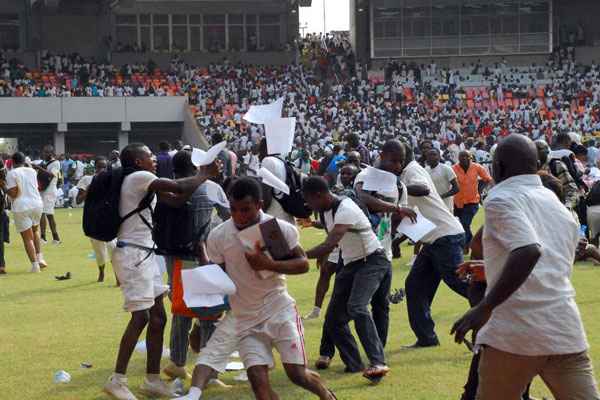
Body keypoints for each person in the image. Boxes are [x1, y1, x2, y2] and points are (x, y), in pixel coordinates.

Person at [452, 134, 600, 400]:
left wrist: (484, 307)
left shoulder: (500, 199)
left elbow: (529, 250)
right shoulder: (555, 204)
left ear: (498, 167)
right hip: (564, 329)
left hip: (514, 332)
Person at [103, 143, 218, 400]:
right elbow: (177, 187)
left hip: (145, 253)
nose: (154, 158)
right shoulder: (140, 177)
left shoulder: (142, 182)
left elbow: (177, 200)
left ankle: (152, 380)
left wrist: (199, 179)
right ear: (137, 160)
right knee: (141, 318)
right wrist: (205, 174)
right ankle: (117, 380)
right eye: (148, 155)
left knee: (158, 319)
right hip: (133, 255)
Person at [205, 177, 336, 400]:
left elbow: (303, 264)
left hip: (279, 310)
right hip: (245, 319)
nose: (239, 216)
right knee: (259, 386)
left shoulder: (276, 229)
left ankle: (327, 395)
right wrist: (211, 300)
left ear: (259, 204)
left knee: (297, 374)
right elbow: (218, 275)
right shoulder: (218, 235)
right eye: (233, 209)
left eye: (245, 209)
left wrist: (269, 264)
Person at [303, 176, 410, 382]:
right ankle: (354, 364)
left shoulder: (346, 208)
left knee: (358, 307)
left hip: (372, 261)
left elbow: (329, 244)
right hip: (351, 263)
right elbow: (334, 243)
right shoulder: (325, 210)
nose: (308, 205)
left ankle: (378, 362)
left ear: (319, 195)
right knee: (334, 320)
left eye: (309, 200)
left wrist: (297, 255)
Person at [161, 150, 230, 381]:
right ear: (197, 166)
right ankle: (208, 372)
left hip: (173, 258)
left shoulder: (166, 187)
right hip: (201, 257)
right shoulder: (208, 188)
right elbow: (228, 216)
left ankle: (177, 363)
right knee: (208, 313)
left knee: (182, 310)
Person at [393, 141, 468, 348]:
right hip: (434, 239)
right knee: (414, 286)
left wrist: (398, 187)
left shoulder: (412, 171)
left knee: (460, 283)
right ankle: (427, 338)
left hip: (444, 237)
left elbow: (423, 189)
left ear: (399, 159)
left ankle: (497, 310)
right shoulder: (409, 171)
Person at [76, 156, 117, 283]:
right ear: (95, 168)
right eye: (99, 167)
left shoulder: (111, 180)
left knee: (113, 248)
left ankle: (118, 276)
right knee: (99, 251)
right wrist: (89, 189)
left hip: (109, 219)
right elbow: (78, 200)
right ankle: (101, 273)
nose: (101, 170)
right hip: (93, 219)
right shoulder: (87, 180)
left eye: (104, 167)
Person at [5, 152, 46, 273]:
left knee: (27, 238)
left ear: (12, 161)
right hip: (37, 203)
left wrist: (3, 187)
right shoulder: (32, 171)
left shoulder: (12, 173)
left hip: (22, 205)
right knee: (35, 231)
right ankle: (40, 259)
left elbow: (13, 193)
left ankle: (35, 266)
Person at [452, 150, 492, 252]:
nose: (464, 158)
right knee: (460, 225)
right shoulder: (453, 169)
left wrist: (480, 189)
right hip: (458, 202)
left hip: (472, 201)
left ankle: (470, 244)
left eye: (466, 156)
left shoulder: (477, 167)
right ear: (458, 158)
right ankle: (466, 244)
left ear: (471, 158)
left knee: (465, 223)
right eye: (462, 156)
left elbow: (488, 179)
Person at [258, 137, 295, 224]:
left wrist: (260, 214)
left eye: (260, 150)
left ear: (267, 149)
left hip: (274, 214)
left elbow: (266, 193)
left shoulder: (268, 161)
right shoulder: (281, 161)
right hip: (286, 212)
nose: (259, 155)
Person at [536, 140, 579, 211]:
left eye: (539, 150)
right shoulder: (531, 168)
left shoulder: (556, 165)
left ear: (547, 151)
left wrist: (567, 207)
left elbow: (572, 189)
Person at [35, 145, 62, 244]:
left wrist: (38, 168)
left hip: (50, 191)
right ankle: (47, 237)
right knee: (43, 213)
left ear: (52, 153)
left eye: (47, 152)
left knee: (48, 214)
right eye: (44, 152)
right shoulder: (44, 162)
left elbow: (51, 175)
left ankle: (52, 238)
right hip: (42, 190)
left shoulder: (56, 163)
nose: (45, 154)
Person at [425, 148, 459, 212]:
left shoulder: (446, 169)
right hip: (432, 205)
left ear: (439, 156)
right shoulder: (425, 170)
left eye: (434, 154)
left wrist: (441, 197)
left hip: (446, 206)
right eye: (429, 155)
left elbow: (456, 188)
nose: (431, 157)